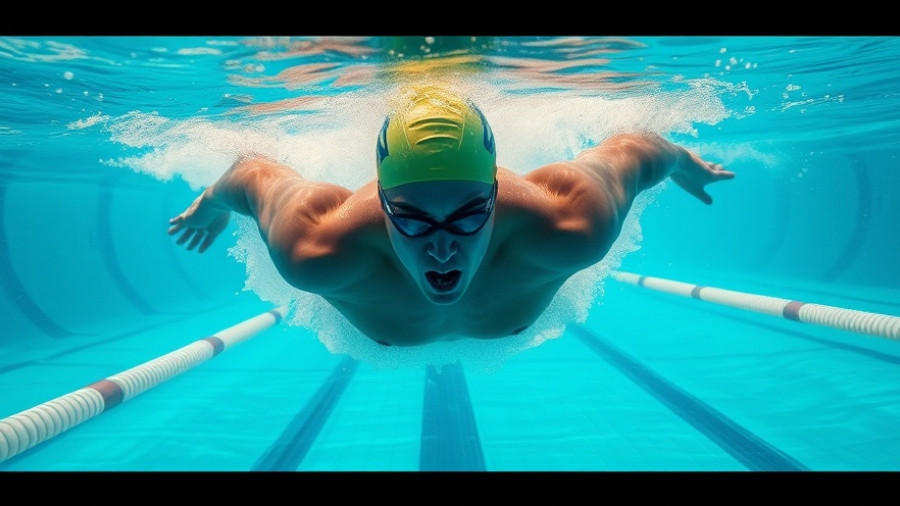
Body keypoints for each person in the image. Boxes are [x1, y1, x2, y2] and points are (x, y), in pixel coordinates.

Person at [168, 85, 735, 347]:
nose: (442, 247)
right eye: (413, 219)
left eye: (468, 216)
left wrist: (687, 166)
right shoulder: (319, 248)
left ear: (495, 196)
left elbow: (636, 151)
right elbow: (254, 176)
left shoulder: (566, 227)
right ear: (383, 205)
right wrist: (211, 204)